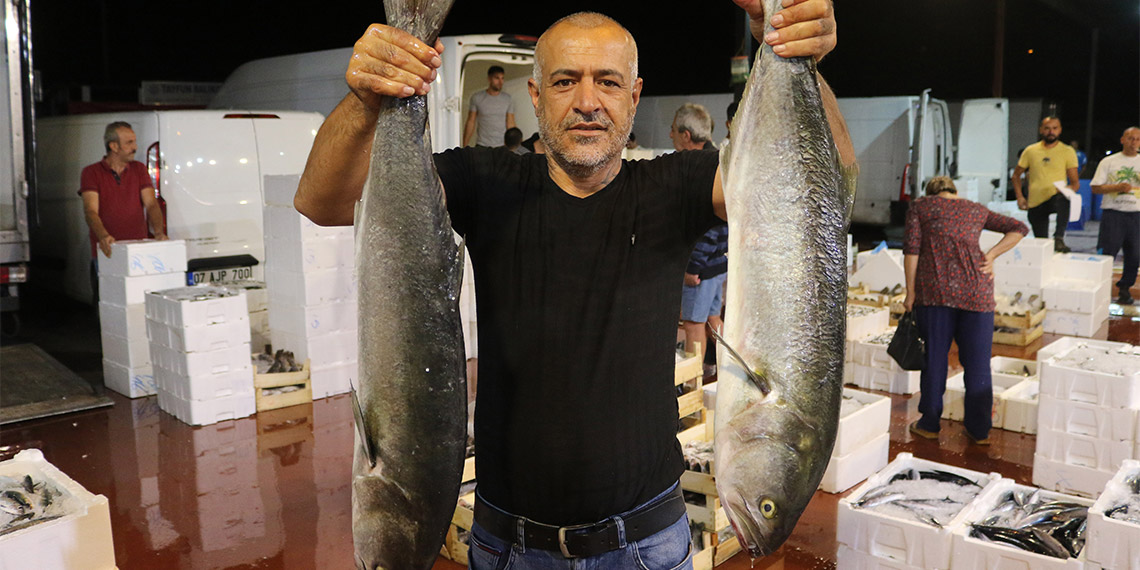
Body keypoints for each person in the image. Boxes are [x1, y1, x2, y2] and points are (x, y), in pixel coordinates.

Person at [295, 2, 848, 565]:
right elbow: (324, 201)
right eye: (566, 82)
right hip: (507, 543)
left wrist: (798, 56)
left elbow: (819, 194)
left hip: (646, 542)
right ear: (535, 96)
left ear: (634, 97)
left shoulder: (675, 187)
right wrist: (369, 97)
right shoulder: (484, 181)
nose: (588, 102)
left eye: (607, 82)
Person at [902, 177, 1028, 445]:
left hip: (935, 292)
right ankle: (979, 430)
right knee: (978, 363)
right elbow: (1019, 227)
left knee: (935, 359)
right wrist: (991, 255)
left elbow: (912, 252)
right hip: (977, 292)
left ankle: (930, 423)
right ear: (954, 193)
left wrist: (910, 293)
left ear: (931, 193)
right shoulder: (974, 208)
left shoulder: (920, 207)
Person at [80, 121, 168, 300]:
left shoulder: (139, 170)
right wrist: (103, 236)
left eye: (134, 142)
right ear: (113, 146)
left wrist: (159, 232)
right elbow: (90, 211)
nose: (135, 147)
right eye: (129, 143)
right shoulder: (91, 172)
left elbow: (151, 204)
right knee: (109, 305)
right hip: (108, 253)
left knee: (138, 305)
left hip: (138, 253)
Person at [672, 103, 726, 377]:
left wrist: (692, 268)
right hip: (718, 264)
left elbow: (710, 228)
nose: (671, 137)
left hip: (702, 268)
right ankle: (726, 371)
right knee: (713, 319)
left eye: (673, 130)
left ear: (685, 134)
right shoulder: (719, 159)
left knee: (694, 324)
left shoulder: (703, 168)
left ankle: (695, 384)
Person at [1011, 117, 1079, 252]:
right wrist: (1020, 197)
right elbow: (1016, 175)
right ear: (1041, 130)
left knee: (1064, 199)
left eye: (1054, 128)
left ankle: (1058, 238)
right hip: (1035, 201)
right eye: (1047, 128)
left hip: (1055, 197)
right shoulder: (1031, 150)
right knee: (1041, 245)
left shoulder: (1067, 151)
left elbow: (1075, 183)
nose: (1051, 132)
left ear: (1060, 130)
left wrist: (1070, 190)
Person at [1091, 126, 1140, 305]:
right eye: (1130, 138)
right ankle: (1099, 287)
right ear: (1122, 140)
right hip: (1113, 214)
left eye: (1137, 139)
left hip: (1136, 215)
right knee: (1107, 253)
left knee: (1135, 255)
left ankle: (1125, 289)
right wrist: (1116, 188)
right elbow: (1095, 188)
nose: (1133, 142)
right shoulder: (1109, 162)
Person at [463, 65, 517, 147]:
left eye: (502, 78)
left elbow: (510, 123)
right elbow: (471, 122)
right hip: (482, 144)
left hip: (502, 145)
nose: (500, 82)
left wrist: (515, 145)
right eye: (497, 78)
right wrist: (464, 144)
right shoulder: (477, 98)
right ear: (489, 79)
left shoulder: (507, 99)